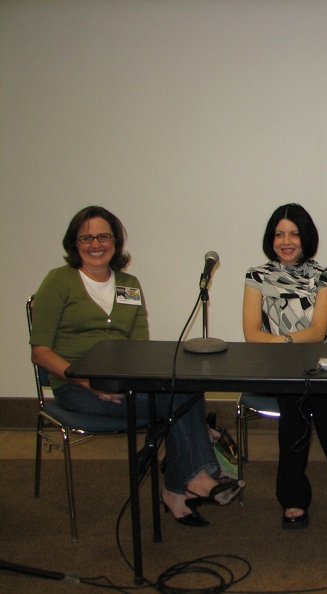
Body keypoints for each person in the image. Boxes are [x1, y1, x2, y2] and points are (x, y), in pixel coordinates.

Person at [30, 206, 243, 528]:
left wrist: (128, 382)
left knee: (183, 394)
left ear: (116, 242)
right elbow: (40, 351)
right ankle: (193, 480)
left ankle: (180, 487)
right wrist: (88, 381)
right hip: (76, 388)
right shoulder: (59, 281)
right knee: (181, 402)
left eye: (103, 236)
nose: (95, 244)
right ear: (74, 243)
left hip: (123, 385)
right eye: (86, 237)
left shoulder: (128, 284)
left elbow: (138, 350)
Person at [242, 203, 327, 530]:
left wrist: (283, 341)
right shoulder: (256, 276)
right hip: (274, 365)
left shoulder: (323, 277)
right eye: (279, 234)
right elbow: (251, 334)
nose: (286, 240)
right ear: (271, 239)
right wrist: (284, 348)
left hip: (314, 361)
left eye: (294, 234)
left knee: (302, 398)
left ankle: (293, 499)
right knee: (303, 392)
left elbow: (317, 332)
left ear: (306, 237)